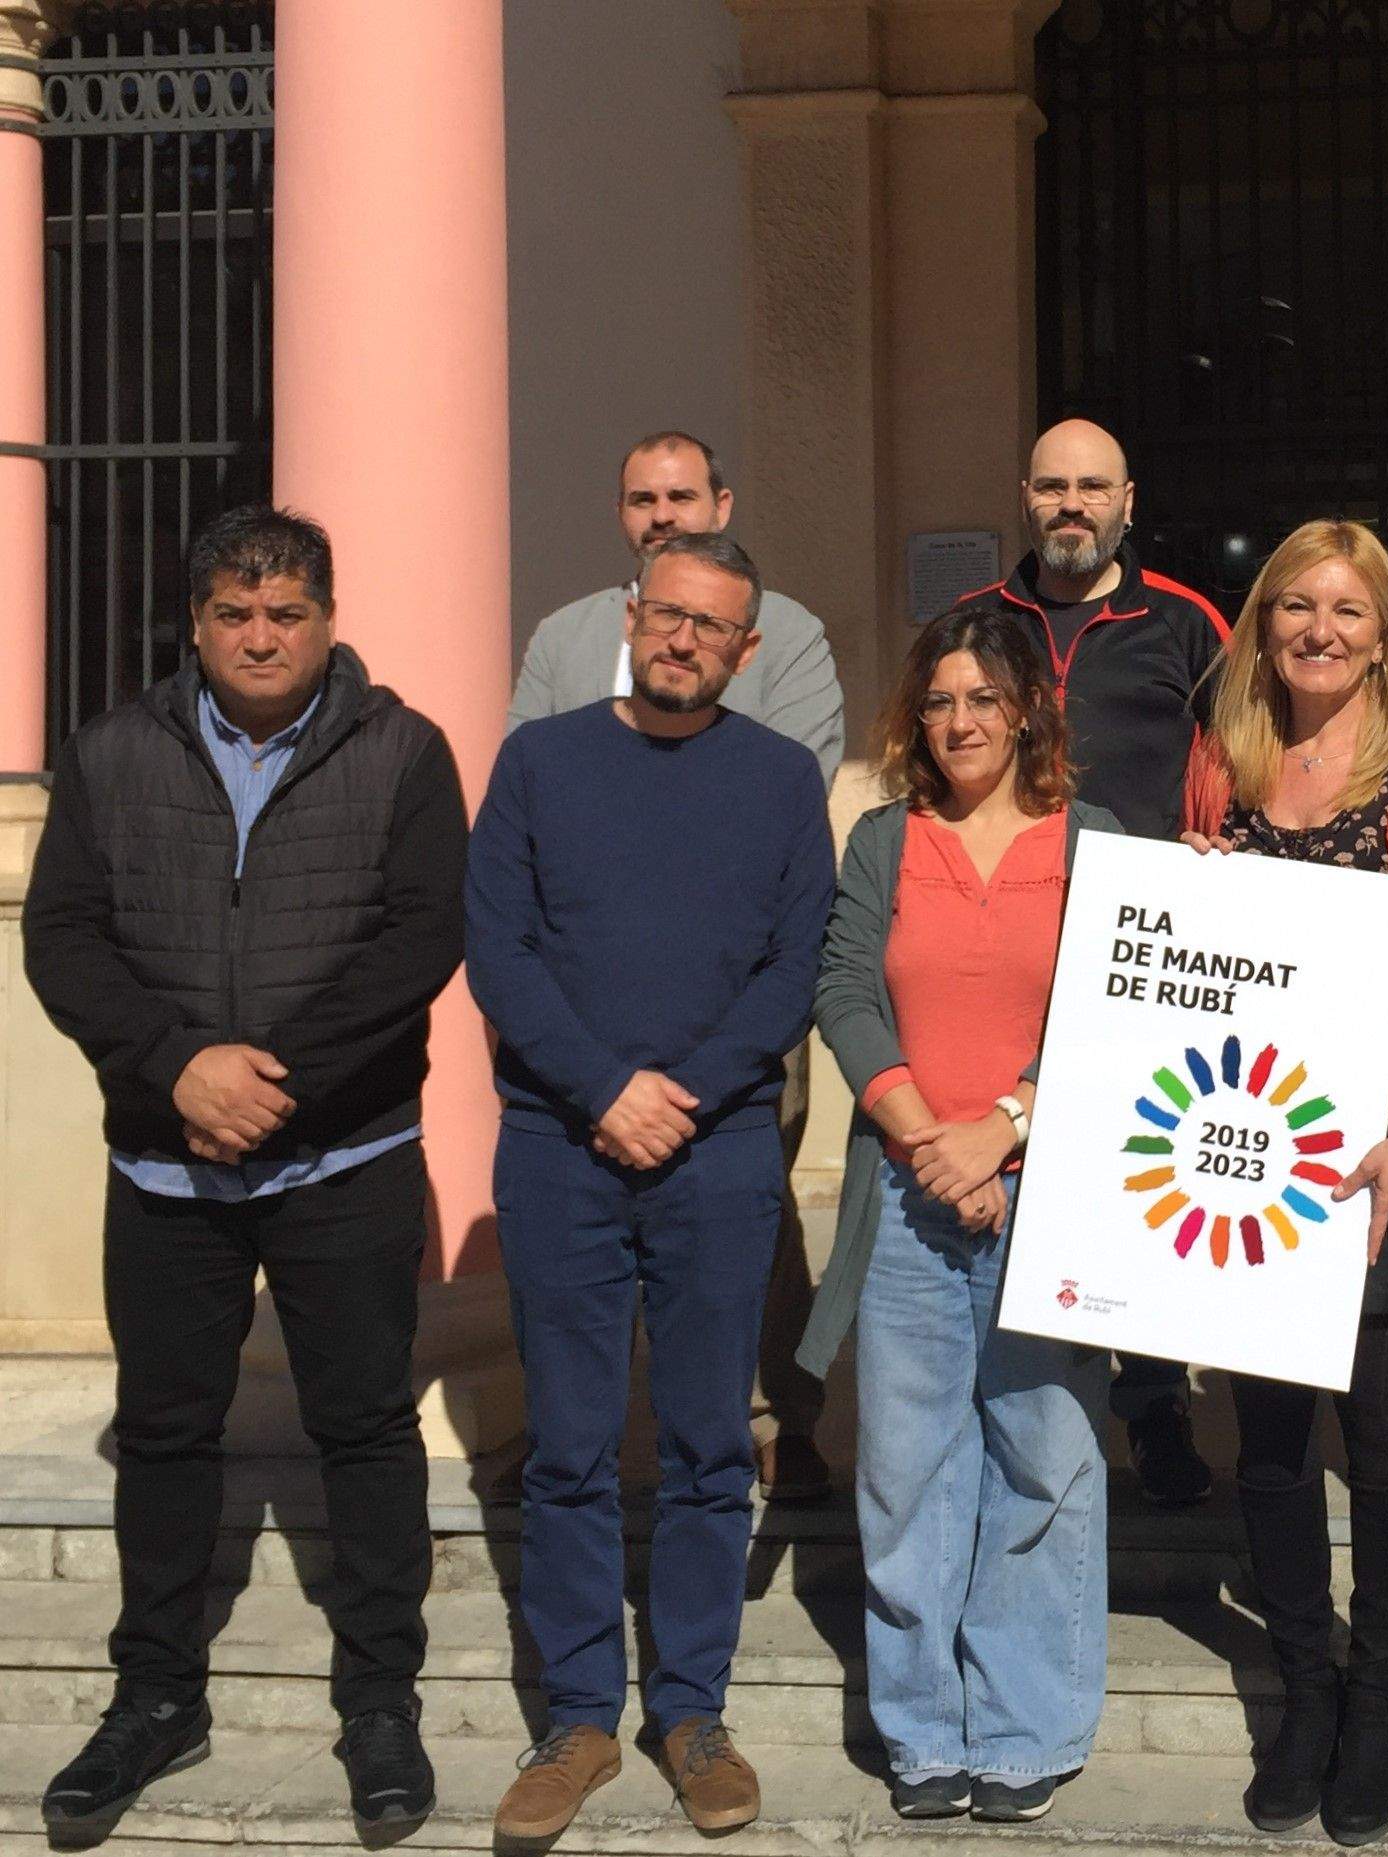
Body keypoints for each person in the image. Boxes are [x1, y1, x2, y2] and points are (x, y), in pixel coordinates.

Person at [23, 506, 465, 1835]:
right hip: (168, 1172)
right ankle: (157, 1696)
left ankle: (379, 1700)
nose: (259, 637)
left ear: (327, 619)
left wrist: (271, 1083)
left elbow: (420, 938)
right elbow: (64, 937)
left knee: (367, 1427)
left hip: (345, 1159)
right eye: (233, 613)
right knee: (164, 1433)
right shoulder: (111, 754)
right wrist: (179, 1068)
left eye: (285, 613)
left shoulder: (403, 751)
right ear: (197, 624)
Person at [467, 531, 833, 1842]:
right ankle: (575, 1719)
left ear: (747, 647)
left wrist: (684, 1090)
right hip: (559, 1145)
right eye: (668, 615)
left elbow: (798, 962)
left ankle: (689, 1712)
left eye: (712, 625)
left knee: (707, 1447)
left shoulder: (780, 778)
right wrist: (601, 1087)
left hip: (718, 1151)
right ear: (632, 614)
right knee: (567, 1449)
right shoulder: (539, 762)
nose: (684, 639)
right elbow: (497, 947)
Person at [1179, 519, 1388, 1845]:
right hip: (1253, 1149)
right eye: (1295, 607)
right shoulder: (1220, 764)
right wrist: (1191, 887)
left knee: (1387, 1443)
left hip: (1382, 1153)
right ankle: (1303, 1684)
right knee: (1265, 1443)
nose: (1319, 630)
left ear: (1383, 637)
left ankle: (1378, 1692)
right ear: (1262, 627)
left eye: (1347, 611)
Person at [794, 604, 1119, 1824]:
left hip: (1049, 1189)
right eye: (938, 701)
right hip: (907, 1191)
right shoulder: (887, 840)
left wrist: (1005, 1128)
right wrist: (929, 1136)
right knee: (905, 1470)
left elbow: (1114, 1008)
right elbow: (842, 987)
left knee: (1043, 1457)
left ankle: (1027, 1727)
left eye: (983, 698)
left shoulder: (1095, 841)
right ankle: (924, 1727)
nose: (959, 721)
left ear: (1028, 709)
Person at [508, 428, 845, 1504]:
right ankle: (577, 1429)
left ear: (721, 504)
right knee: (579, 1229)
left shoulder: (787, 632)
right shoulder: (566, 634)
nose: (663, 515)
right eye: (643, 500)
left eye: (682, 497)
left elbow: (788, 791)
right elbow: (528, 790)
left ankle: (773, 1418)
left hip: (733, 999)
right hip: (585, 1006)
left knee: (751, 1216)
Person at [970, 415, 1233, 1509]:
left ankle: (1156, 1404)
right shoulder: (973, 625)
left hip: (1144, 948)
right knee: (1019, 1168)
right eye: (1051, 486)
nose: (1070, 505)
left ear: (1129, 501)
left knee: (1143, 1173)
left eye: (1091, 487)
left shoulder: (1187, 623)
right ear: (1025, 497)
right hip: (1006, 940)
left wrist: (1217, 848)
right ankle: (1026, 1397)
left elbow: (1240, 754)